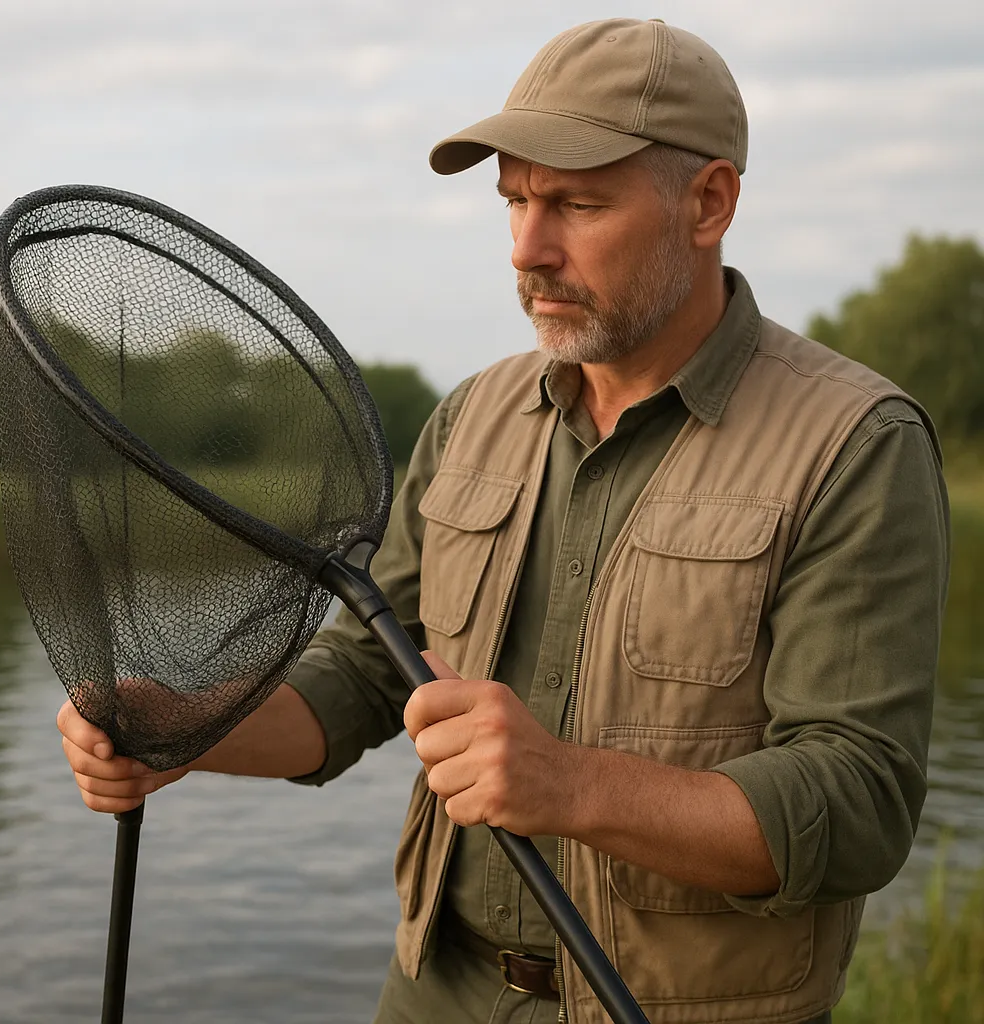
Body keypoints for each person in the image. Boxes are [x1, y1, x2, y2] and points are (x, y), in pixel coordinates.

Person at [56, 18, 949, 1024]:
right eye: (515, 200)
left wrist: (568, 783)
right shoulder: (471, 416)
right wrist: (184, 731)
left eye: (575, 202)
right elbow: (358, 677)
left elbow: (858, 804)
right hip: (435, 993)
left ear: (708, 203)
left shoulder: (854, 442)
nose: (529, 248)